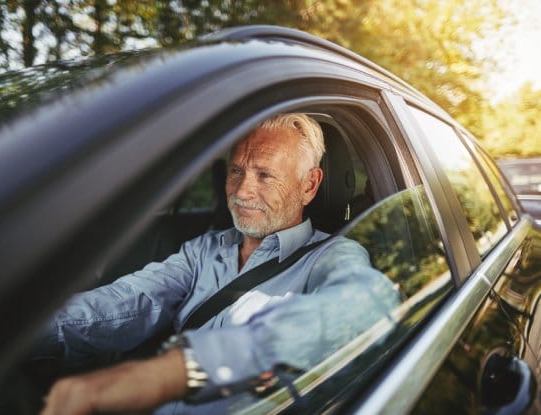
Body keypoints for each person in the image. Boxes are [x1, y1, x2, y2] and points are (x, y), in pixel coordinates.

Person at [38, 113, 400, 415]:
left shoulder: (332, 256)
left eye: (265, 175)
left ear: (309, 185)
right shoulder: (205, 249)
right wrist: (28, 331)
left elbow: (370, 305)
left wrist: (181, 370)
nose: (241, 192)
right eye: (236, 171)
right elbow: (130, 301)